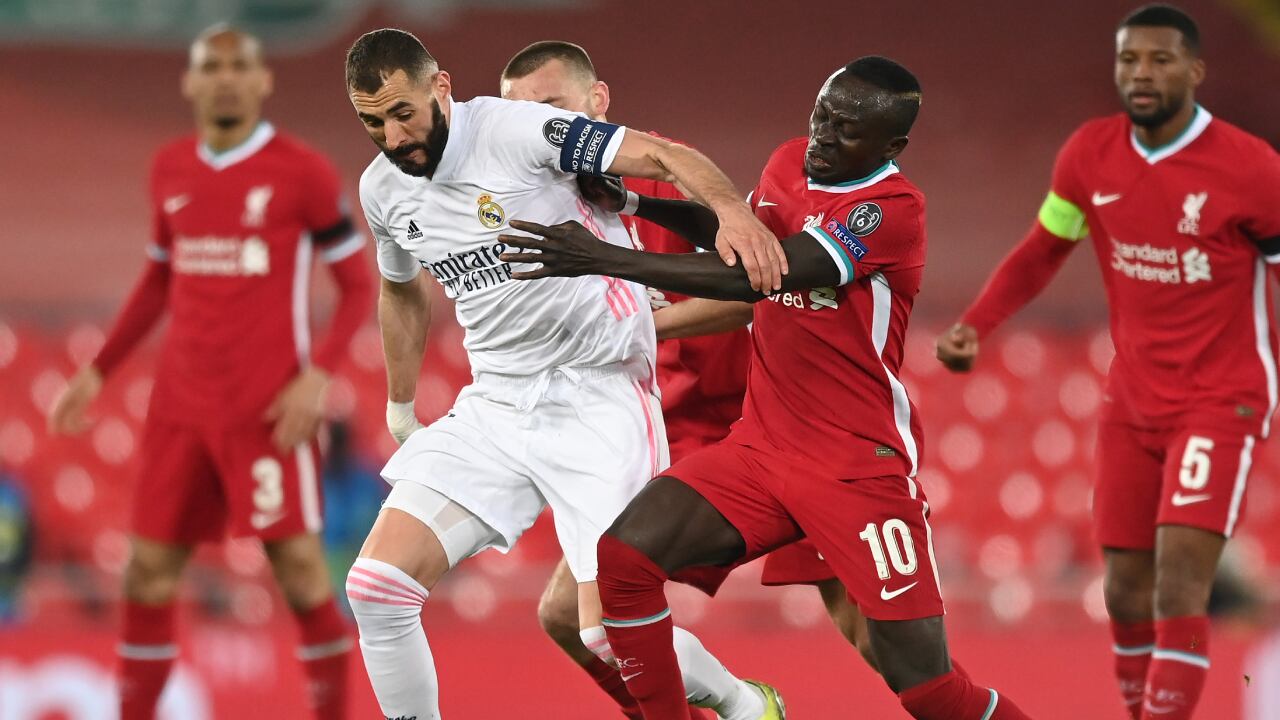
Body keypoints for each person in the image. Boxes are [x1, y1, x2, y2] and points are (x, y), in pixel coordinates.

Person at [499, 56, 1032, 720]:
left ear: (891, 147)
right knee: (623, 560)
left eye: (846, 129)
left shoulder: (893, 211)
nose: (824, 137)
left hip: (854, 466)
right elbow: (742, 240)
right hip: (761, 447)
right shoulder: (788, 162)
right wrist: (632, 202)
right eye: (821, 116)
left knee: (925, 686)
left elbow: (762, 275)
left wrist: (601, 257)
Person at [342, 29, 785, 720]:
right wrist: (401, 404)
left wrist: (733, 213)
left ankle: (745, 704)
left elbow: (663, 156)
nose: (394, 137)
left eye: (404, 113)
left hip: (596, 393)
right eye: (374, 122)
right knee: (376, 588)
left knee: (605, 632)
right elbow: (401, 289)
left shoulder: (519, 132)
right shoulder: (382, 191)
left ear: (442, 88)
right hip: (495, 404)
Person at [498, 40, 880, 714]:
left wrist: (634, 325)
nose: (536, 129)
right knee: (572, 617)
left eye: (551, 108)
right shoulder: (521, 197)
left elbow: (743, 300)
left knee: (878, 636)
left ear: (597, 103)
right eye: (516, 114)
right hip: (660, 424)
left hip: (756, 419)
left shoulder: (660, 175)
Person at [933, 5, 1280, 719]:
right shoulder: (1090, 155)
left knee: (1180, 587)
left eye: (1159, 60)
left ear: (1195, 70)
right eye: (1129, 61)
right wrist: (977, 324)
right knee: (1124, 590)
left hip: (1221, 398)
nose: (1142, 74)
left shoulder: (1251, 168)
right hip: (1132, 401)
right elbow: (1043, 247)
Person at [46, 25, 372, 720]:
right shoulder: (170, 168)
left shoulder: (302, 172)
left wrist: (321, 375)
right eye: (211, 67)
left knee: (301, 573)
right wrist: (98, 371)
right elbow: (159, 278)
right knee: (149, 572)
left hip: (266, 411)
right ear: (191, 83)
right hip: (180, 408)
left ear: (262, 80)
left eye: (239, 66)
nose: (225, 78)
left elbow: (357, 285)